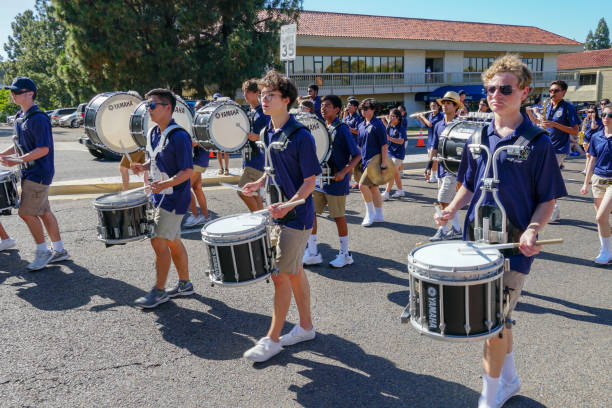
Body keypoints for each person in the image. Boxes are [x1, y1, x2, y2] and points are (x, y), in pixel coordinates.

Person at [435, 55, 566, 408]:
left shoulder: (537, 142)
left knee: (490, 322)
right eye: (490, 88)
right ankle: (508, 379)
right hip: (475, 243)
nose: (496, 94)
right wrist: (451, 209)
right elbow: (467, 183)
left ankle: (489, 396)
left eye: (505, 89)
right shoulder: (477, 135)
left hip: (513, 249)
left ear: (524, 92)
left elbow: (547, 199)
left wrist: (534, 229)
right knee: (500, 319)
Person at [242, 70, 321, 362]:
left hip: (297, 216)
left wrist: (289, 204)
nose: (264, 99)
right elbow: (270, 168)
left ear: (286, 100)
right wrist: (259, 183)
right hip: (275, 213)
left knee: (280, 275)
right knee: (294, 270)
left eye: (270, 95)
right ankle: (306, 327)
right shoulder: (266, 132)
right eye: (262, 94)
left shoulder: (301, 136)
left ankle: (272, 338)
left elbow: (310, 181)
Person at [130, 89, 194, 308]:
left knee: (158, 240)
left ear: (168, 108)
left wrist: (165, 184)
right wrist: (143, 166)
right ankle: (185, 284)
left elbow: (187, 172)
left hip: (174, 198)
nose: (148, 109)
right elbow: (156, 159)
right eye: (148, 105)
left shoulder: (180, 136)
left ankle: (159, 291)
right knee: (172, 240)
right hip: (159, 196)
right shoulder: (153, 133)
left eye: (153, 105)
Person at [0, 76, 69, 270]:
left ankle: (43, 252)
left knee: (26, 213)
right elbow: (18, 145)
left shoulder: (37, 118)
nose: (12, 95)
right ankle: (60, 250)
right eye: (12, 91)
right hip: (31, 172)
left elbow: (43, 149)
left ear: (30, 94)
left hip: (38, 173)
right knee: (45, 212)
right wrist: (4, 155)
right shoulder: (20, 117)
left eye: (17, 92)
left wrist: (19, 160)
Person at [302, 94, 361, 268]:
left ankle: (345, 254)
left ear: (337, 109)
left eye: (328, 105)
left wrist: (344, 172)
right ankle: (312, 252)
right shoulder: (321, 126)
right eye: (322, 105)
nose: (323, 108)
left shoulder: (342, 128)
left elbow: (357, 155)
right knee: (310, 212)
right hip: (320, 179)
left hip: (336, 180)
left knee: (339, 217)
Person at [539, 80, 580, 222]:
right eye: (550, 91)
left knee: (549, 179)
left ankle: (553, 210)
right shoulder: (548, 105)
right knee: (544, 178)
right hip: (546, 146)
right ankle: (548, 207)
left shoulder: (568, 107)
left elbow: (575, 130)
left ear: (564, 92)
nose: (552, 93)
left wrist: (554, 124)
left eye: (555, 90)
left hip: (559, 148)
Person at [428, 91, 463, 241]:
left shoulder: (460, 124)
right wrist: (429, 166)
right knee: (447, 201)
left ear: (456, 107)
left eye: (449, 103)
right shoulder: (438, 125)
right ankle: (457, 230)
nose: (444, 106)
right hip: (441, 168)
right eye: (443, 103)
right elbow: (434, 147)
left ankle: (442, 230)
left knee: (443, 198)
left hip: (455, 169)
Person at [580, 104, 612, 263]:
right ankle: (606, 250)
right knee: (602, 219)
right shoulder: (596, 136)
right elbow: (592, 160)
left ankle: (606, 253)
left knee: (601, 217)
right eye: (604, 114)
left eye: (610, 115)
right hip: (598, 180)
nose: (606, 117)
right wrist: (586, 183)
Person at [238, 79, 269, 212]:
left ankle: (257, 218)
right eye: (244, 92)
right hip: (249, 158)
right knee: (254, 194)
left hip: (258, 160)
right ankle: (262, 221)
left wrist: (257, 137)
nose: (245, 95)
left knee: (242, 190)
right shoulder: (250, 111)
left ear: (257, 93)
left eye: (248, 92)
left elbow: (272, 132)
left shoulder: (263, 112)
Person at [357, 98, 388, 227]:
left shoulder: (378, 125)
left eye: (366, 108)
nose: (363, 111)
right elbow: (360, 145)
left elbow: (384, 146)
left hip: (375, 161)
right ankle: (379, 215)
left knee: (362, 186)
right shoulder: (361, 125)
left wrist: (384, 165)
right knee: (373, 188)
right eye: (362, 109)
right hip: (364, 161)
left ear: (373, 109)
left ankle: (369, 214)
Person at [184, 99, 211, 227]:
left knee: (184, 188)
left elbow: (197, 142)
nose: (195, 110)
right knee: (197, 188)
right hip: (199, 160)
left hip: (199, 160)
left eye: (198, 107)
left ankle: (195, 215)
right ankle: (206, 216)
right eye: (194, 108)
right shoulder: (199, 121)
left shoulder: (205, 121)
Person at [381, 108, 407, 199]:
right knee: (395, 173)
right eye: (390, 115)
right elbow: (386, 132)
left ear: (398, 118)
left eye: (392, 116)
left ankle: (386, 193)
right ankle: (400, 191)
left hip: (398, 154)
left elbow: (401, 141)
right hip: (390, 153)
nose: (390, 118)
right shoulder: (390, 126)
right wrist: (384, 121)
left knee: (391, 172)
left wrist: (390, 139)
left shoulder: (401, 128)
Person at [416, 101, 443, 183]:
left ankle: (434, 176)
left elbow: (430, 124)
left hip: (437, 140)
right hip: (430, 139)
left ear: (438, 107)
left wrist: (423, 117)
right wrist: (420, 118)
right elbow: (426, 125)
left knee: (434, 159)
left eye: (434, 106)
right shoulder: (431, 115)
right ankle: (434, 175)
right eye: (431, 106)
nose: (433, 107)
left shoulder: (440, 116)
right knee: (431, 158)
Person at [343, 98, 362, 189]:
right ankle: (349, 182)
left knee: (355, 165)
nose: (348, 107)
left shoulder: (357, 118)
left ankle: (358, 181)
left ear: (355, 107)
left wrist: (348, 128)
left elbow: (358, 131)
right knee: (348, 164)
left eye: (350, 105)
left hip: (355, 144)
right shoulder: (347, 117)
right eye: (347, 105)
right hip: (347, 143)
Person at [581, 105, 603, 174]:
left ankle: (587, 170)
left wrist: (593, 118)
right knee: (588, 155)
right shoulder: (587, 120)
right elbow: (583, 128)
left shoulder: (598, 120)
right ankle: (589, 169)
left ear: (595, 112)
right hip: (586, 140)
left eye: (592, 112)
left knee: (589, 155)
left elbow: (593, 127)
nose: (590, 113)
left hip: (593, 140)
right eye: (589, 112)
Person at [212, 93, 230, 176]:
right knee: (218, 152)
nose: (216, 100)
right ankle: (221, 168)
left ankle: (226, 168)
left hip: (225, 132)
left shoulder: (225, 108)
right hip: (216, 132)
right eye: (215, 99)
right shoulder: (213, 108)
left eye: (217, 99)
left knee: (225, 151)